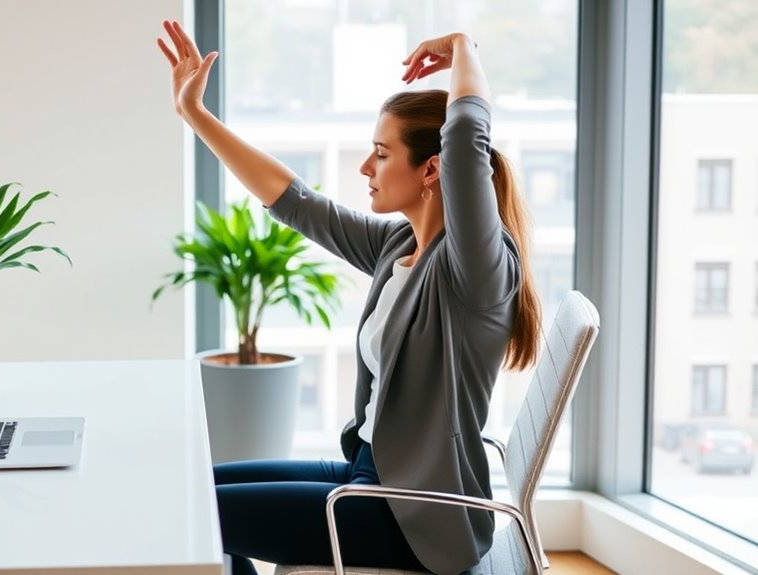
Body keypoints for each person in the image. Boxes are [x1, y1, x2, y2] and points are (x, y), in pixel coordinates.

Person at [157, 20, 542, 575]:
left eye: (381, 154)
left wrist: (462, 47)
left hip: (411, 515)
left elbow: (465, 139)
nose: (366, 167)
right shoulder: (400, 245)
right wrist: (195, 114)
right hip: (368, 472)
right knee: (189, 485)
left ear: (433, 169)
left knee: (197, 512)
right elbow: (295, 201)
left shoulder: (477, 271)